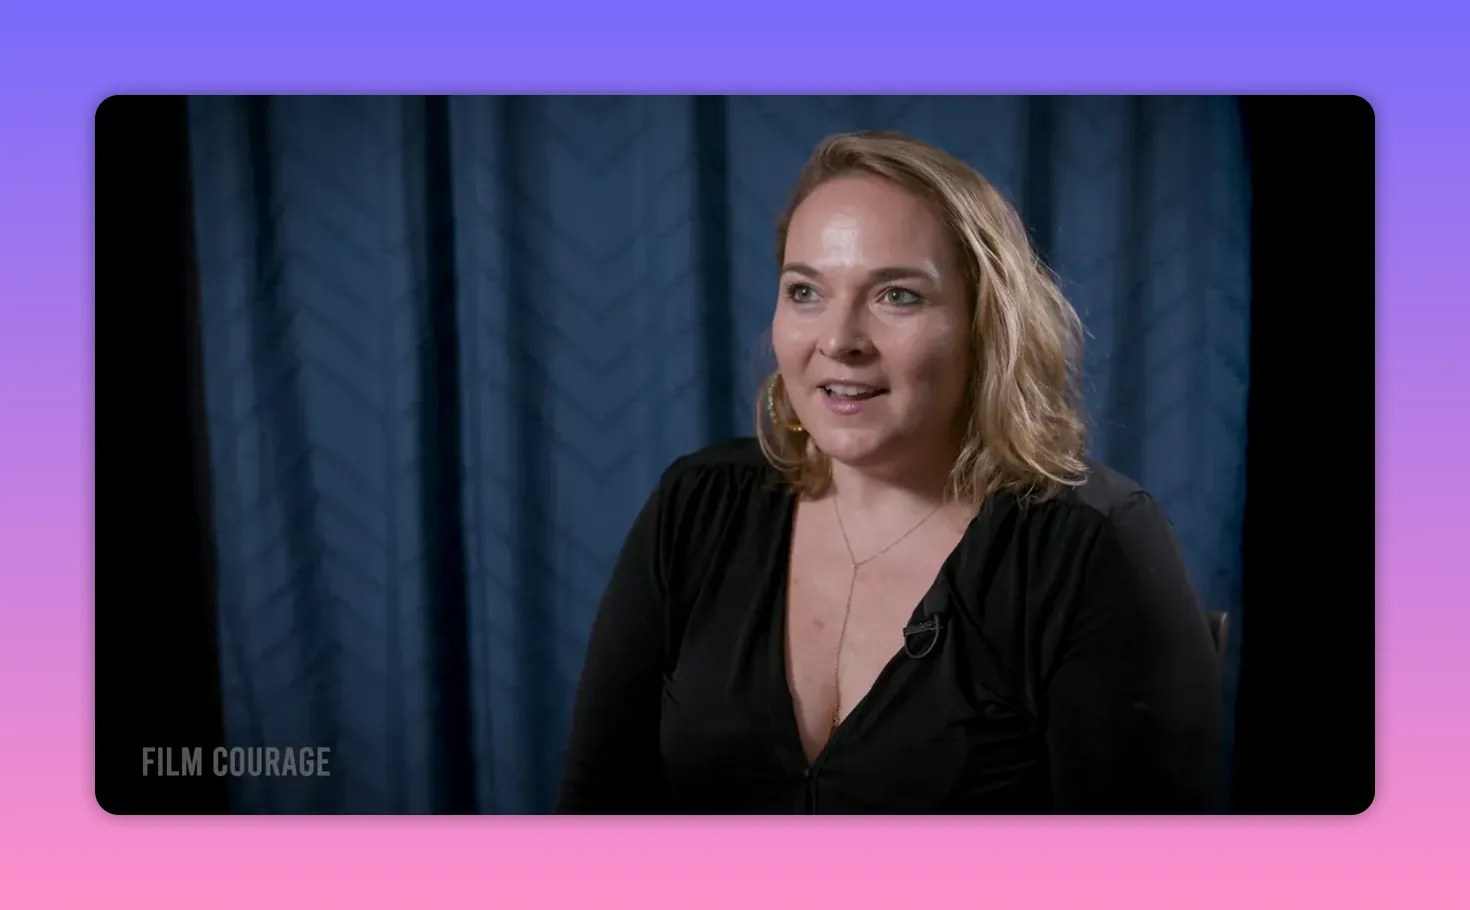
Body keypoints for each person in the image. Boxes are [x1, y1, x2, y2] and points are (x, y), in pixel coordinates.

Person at [556, 130, 1221, 814]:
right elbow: (593, 819)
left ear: (985, 324)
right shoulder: (695, 506)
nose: (839, 340)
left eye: (896, 296)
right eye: (806, 291)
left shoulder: (1089, 545)